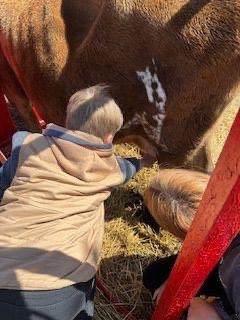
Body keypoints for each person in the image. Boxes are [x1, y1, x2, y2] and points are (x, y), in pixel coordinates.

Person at [0, 85, 153, 320]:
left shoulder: (26, 146)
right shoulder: (109, 168)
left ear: (67, 120)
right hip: (57, 290)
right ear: (109, 138)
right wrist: (144, 162)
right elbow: (128, 168)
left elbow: (3, 186)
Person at [143, 169, 240, 319]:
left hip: (231, 279)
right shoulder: (229, 191)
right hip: (224, 261)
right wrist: (176, 280)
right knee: (156, 274)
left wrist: (212, 314)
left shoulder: (236, 268)